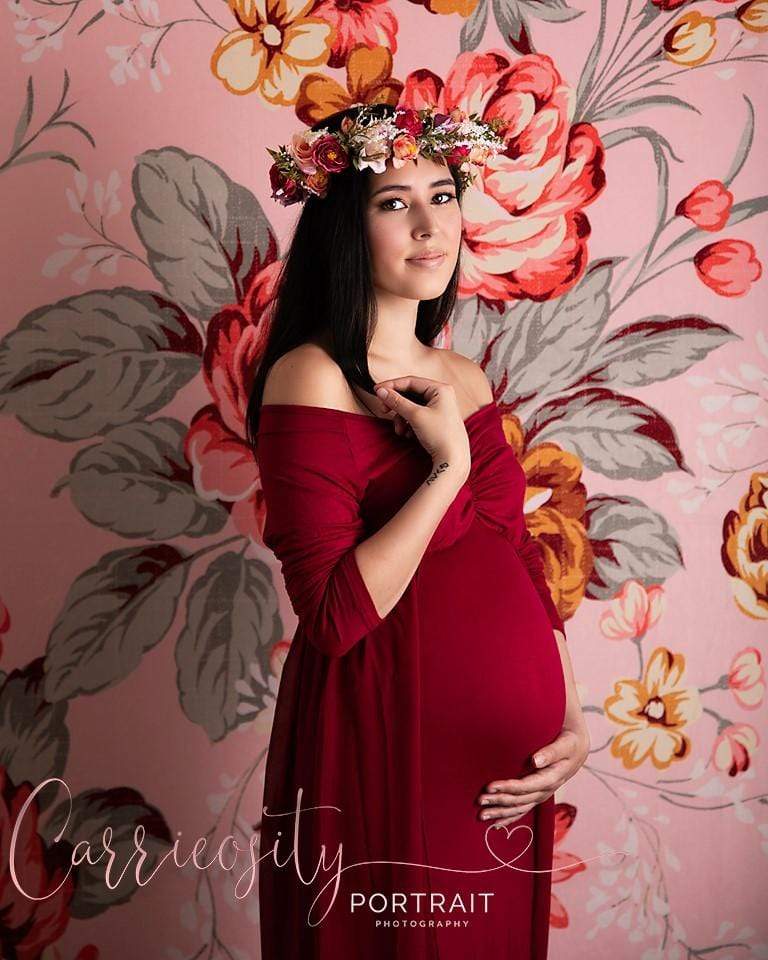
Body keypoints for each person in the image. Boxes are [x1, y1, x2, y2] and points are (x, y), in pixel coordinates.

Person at [245, 102, 589, 959]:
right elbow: (330, 616)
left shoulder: (462, 374)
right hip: (386, 742)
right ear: (343, 227)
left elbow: (514, 558)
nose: (433, 225)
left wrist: (571, 717)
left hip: (501, 767)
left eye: (445, 194)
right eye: (395, 202)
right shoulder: (311, 375)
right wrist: (444, 473)